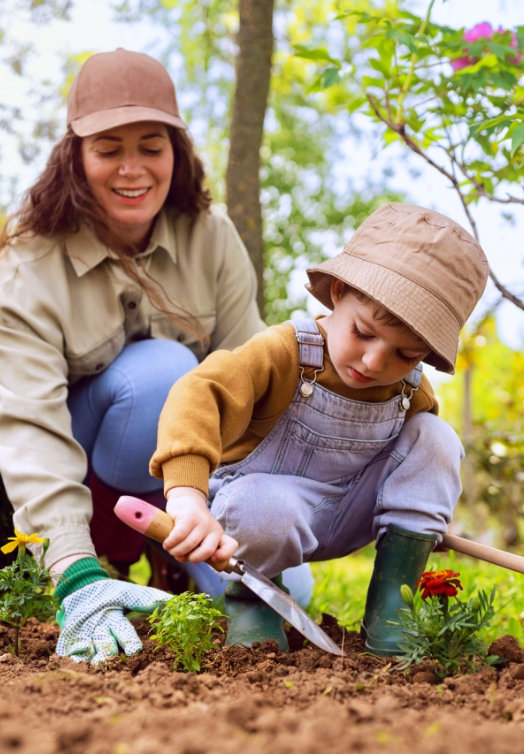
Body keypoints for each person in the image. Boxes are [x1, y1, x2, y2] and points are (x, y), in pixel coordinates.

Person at [0, 49, 303, 666]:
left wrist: (253, 517)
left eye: (150, 146)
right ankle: (104, 565)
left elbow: (252, 387)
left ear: (176, 151)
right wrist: (73, 570)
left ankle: (173, 559)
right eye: (108, 149)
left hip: (189, 491)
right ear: (75, 156)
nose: (132, 169)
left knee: (280, 596)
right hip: (91, 495)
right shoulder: (28, 271)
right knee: (162, 376)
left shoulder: (211, 237)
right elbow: (30, 431)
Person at [149, 203, 489, 654]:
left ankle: (392, 609)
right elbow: (198, 394)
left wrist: (421, 525)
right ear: (338, 291)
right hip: (265, 516)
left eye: (406, 355)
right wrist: (187, 495)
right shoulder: (284, 352)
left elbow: (424, 463)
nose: (375, 362)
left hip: (354, 512)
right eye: (364, 333)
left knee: (437, 435)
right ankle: (253, 600)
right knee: (263, 506)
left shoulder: (410, 389)